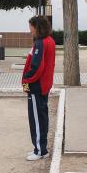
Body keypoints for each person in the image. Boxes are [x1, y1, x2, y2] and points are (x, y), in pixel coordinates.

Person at [22, 16, 56, 161]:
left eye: (31, 27)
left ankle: (39, 150)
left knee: (36, 118)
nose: (30, 30)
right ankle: (42, 148)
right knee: (42, 117)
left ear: (37, 27)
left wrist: (26, 80)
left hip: (37, 86)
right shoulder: (49, 40)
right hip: (43, 85)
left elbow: (37, 67)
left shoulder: (41, 43)